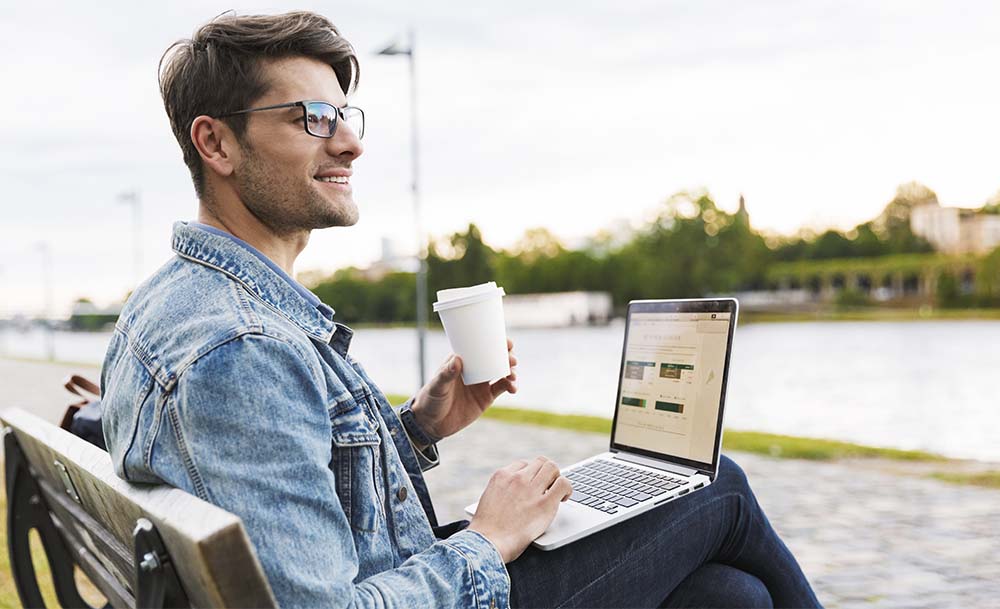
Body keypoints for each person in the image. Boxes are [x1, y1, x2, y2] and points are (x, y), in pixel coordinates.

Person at [100, 11, 822, 609]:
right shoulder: (241, 346)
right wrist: (490, 536)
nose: (349, 140)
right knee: (716, 484)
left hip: (397, 574)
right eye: (313, 117)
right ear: (216, 141)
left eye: (346, 115)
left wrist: (417, 427)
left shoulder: (175, 305)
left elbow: (292, 501)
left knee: (729, 597)